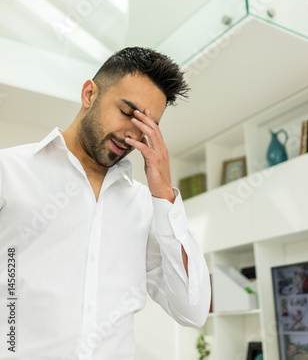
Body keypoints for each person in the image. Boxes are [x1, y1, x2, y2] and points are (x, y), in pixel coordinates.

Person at [0, 47, 211, 360]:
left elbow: (192, 311)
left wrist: (165, 194)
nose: (132, 134)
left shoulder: (147, 206)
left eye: (146, 125)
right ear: (89, 93)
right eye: (128, 113)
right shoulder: (9, 171)